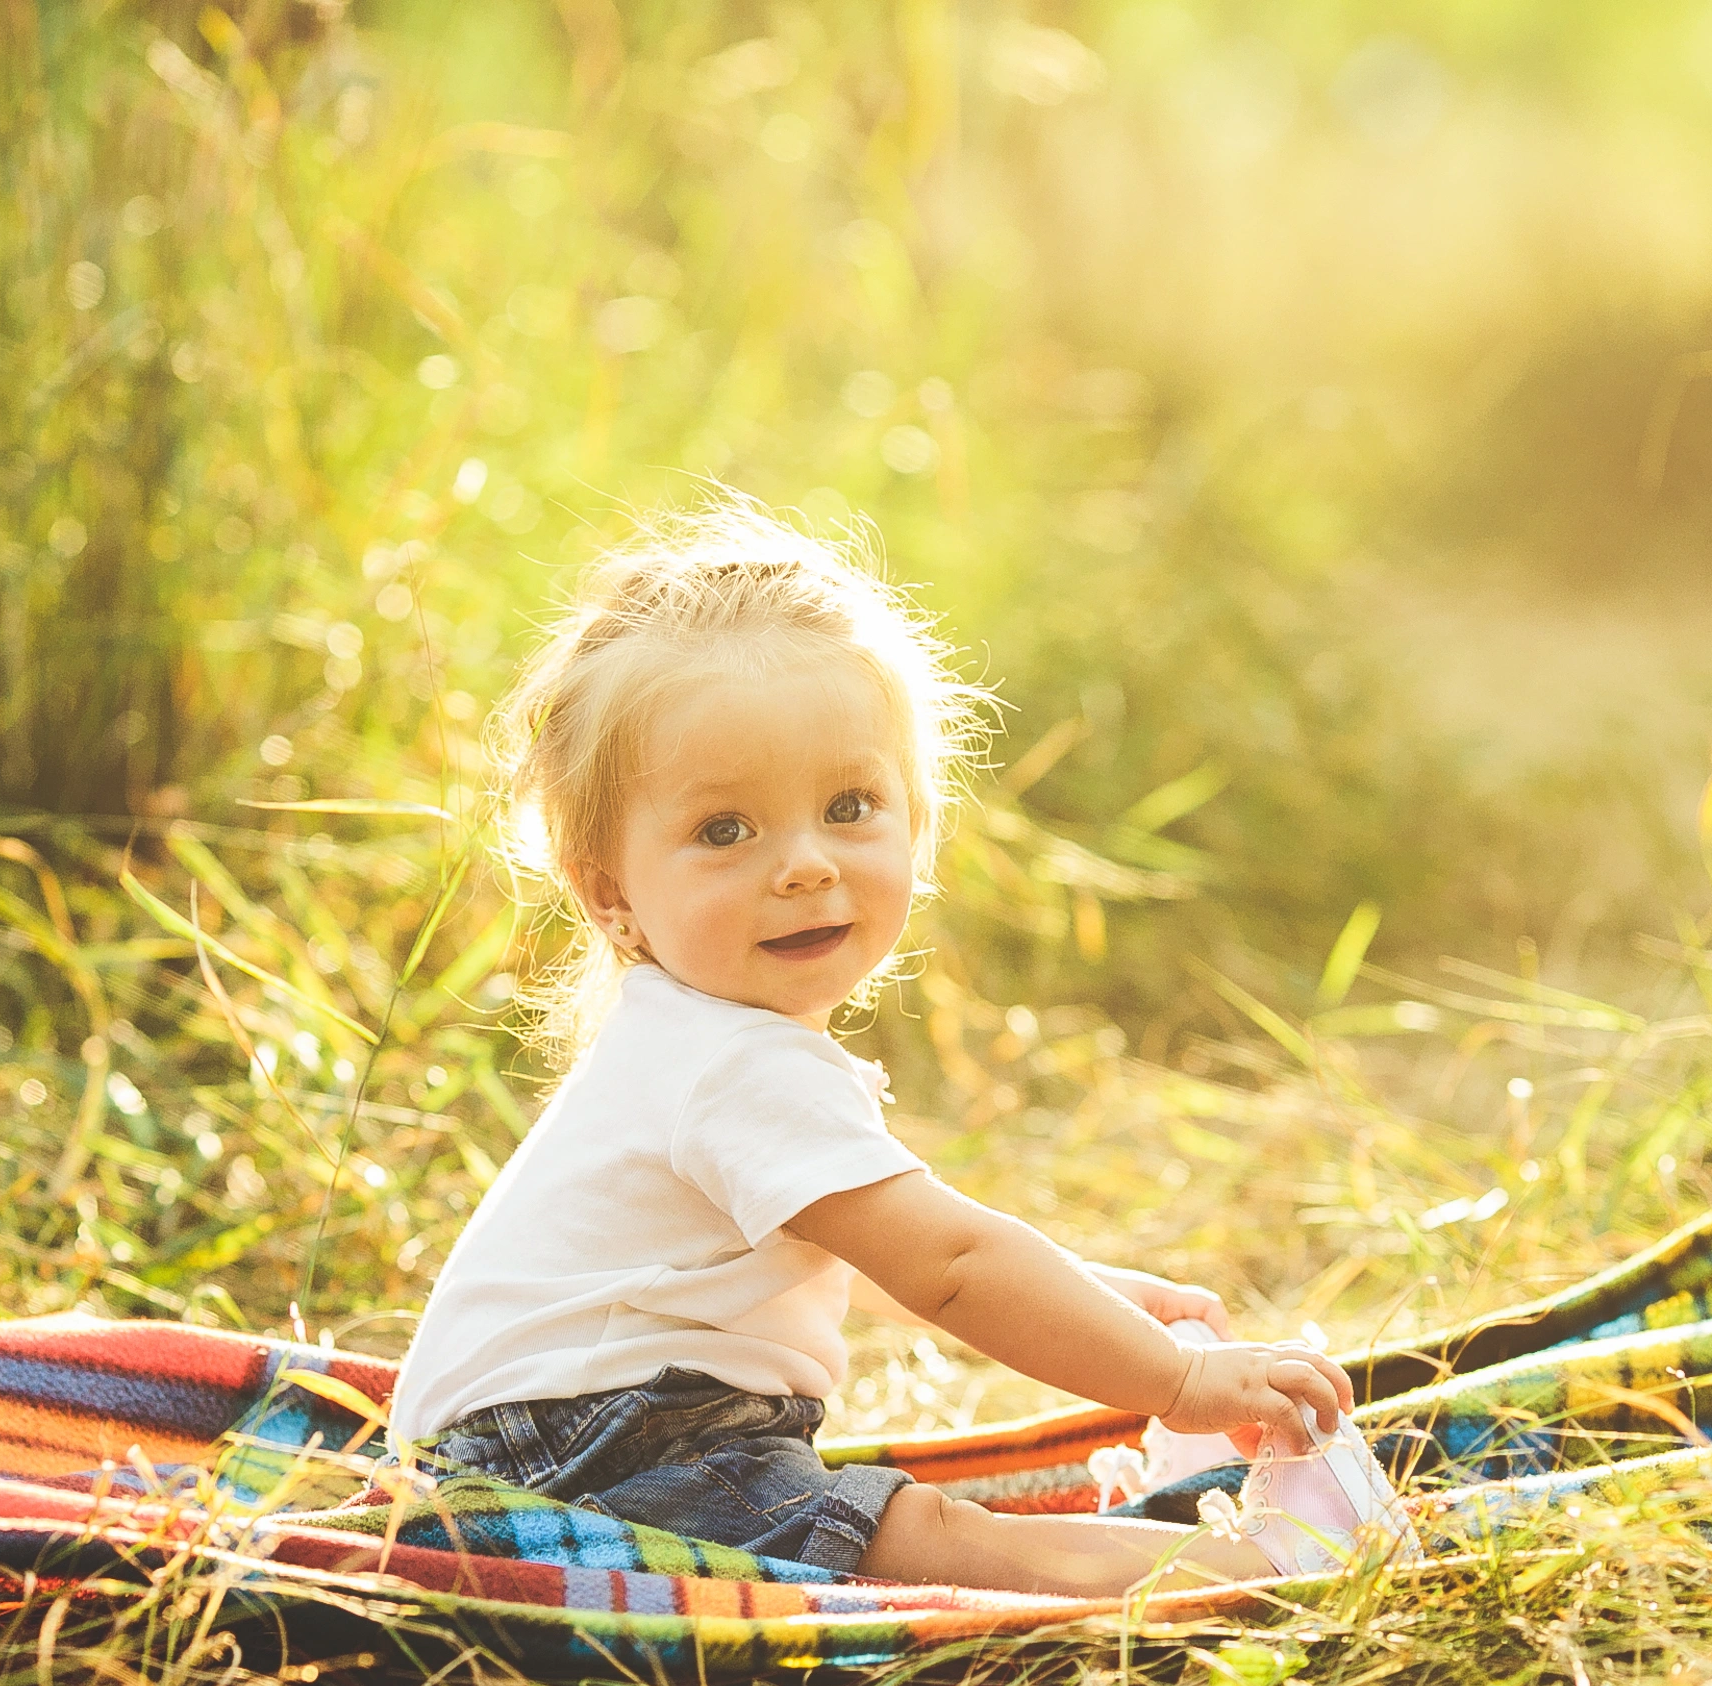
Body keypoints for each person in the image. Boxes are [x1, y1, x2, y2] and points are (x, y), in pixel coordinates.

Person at [382, 502, 1355, 1599]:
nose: (805, 864)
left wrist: (1105, 1299)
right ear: (611, 893)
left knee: (898, 1522)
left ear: (916, 824)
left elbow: (861, 1251)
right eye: (724, 830)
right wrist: (1175, 1377)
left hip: (541, 1445)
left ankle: (1232, 1558)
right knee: (922, 1538)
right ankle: (1265, 1568)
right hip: (580, 1455)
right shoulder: (733, 1065)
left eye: (849, 806)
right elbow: (951, 1266)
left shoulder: (692, 1038)